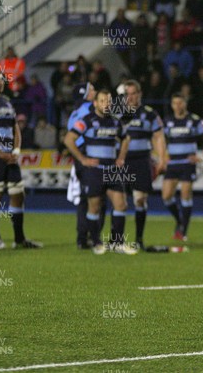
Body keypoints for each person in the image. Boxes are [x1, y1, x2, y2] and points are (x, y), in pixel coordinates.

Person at [0, 69, 42, 250]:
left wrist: (16, 150)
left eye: (1, 80)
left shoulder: (7, 102)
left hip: (10, 156)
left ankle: (19, 239)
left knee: (18, 194)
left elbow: (15, 128)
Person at [64, 89, 135, 255]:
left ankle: (117, 242)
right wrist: (82, 159)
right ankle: (95, 242)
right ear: (95, 103)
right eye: (102, 101)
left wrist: (121, 158)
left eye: (108, 101)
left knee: (121, 204)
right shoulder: (87, 120)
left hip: (112, 169)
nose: (106, 104)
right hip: (94, 170)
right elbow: (68, 139)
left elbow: (125, 139)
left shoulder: (115, 122)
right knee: (94, 207)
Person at [161, 93, 203, 241]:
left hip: (187, 164)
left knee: (185, 194)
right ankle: (180, 220)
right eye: (174, 103)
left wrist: (201, 157)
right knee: (166, 196)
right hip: (172, 164)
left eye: (180, 103)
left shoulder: (194, 120)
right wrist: (162, 155)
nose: (177, 106)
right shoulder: (167, 122)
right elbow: (159, 140)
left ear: (185, 103)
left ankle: (183, 230)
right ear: (171, 105)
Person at [120, 80, 166, 249]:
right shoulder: (118, 114)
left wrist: (162, 159)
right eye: (127, 94)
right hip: (121, 161)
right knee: (120, 201)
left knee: (140, 200)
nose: (130, 97)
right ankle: (116, 240)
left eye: (133, 93)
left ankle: (138, 239)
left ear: (139, 94)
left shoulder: (149, 114)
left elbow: (159, 137)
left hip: (141, 160)